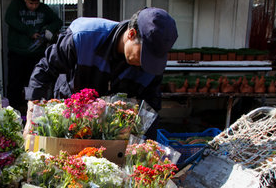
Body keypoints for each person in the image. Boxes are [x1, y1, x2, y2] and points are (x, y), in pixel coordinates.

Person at [25, 7, 178, 113]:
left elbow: (151, 107)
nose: (146, 63)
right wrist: (33, 109)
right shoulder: (84, 37)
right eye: (144, 55)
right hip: (70, 112)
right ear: (131, 34)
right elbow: (45, 68)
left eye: (153, 58)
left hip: (113, 130)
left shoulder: (152, 65)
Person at [5, 0, 62, 113]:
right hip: (17, 53)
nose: (34, 6)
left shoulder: (44, 9)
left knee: (34, 84)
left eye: (36, 3)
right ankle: (13, 112)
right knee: (15, 84)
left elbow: (57, 21)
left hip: (36, 54)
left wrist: (48, 30)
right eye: (31, 3)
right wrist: (29, 31)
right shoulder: (15, 5)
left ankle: (33, 111)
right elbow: (9, 19)